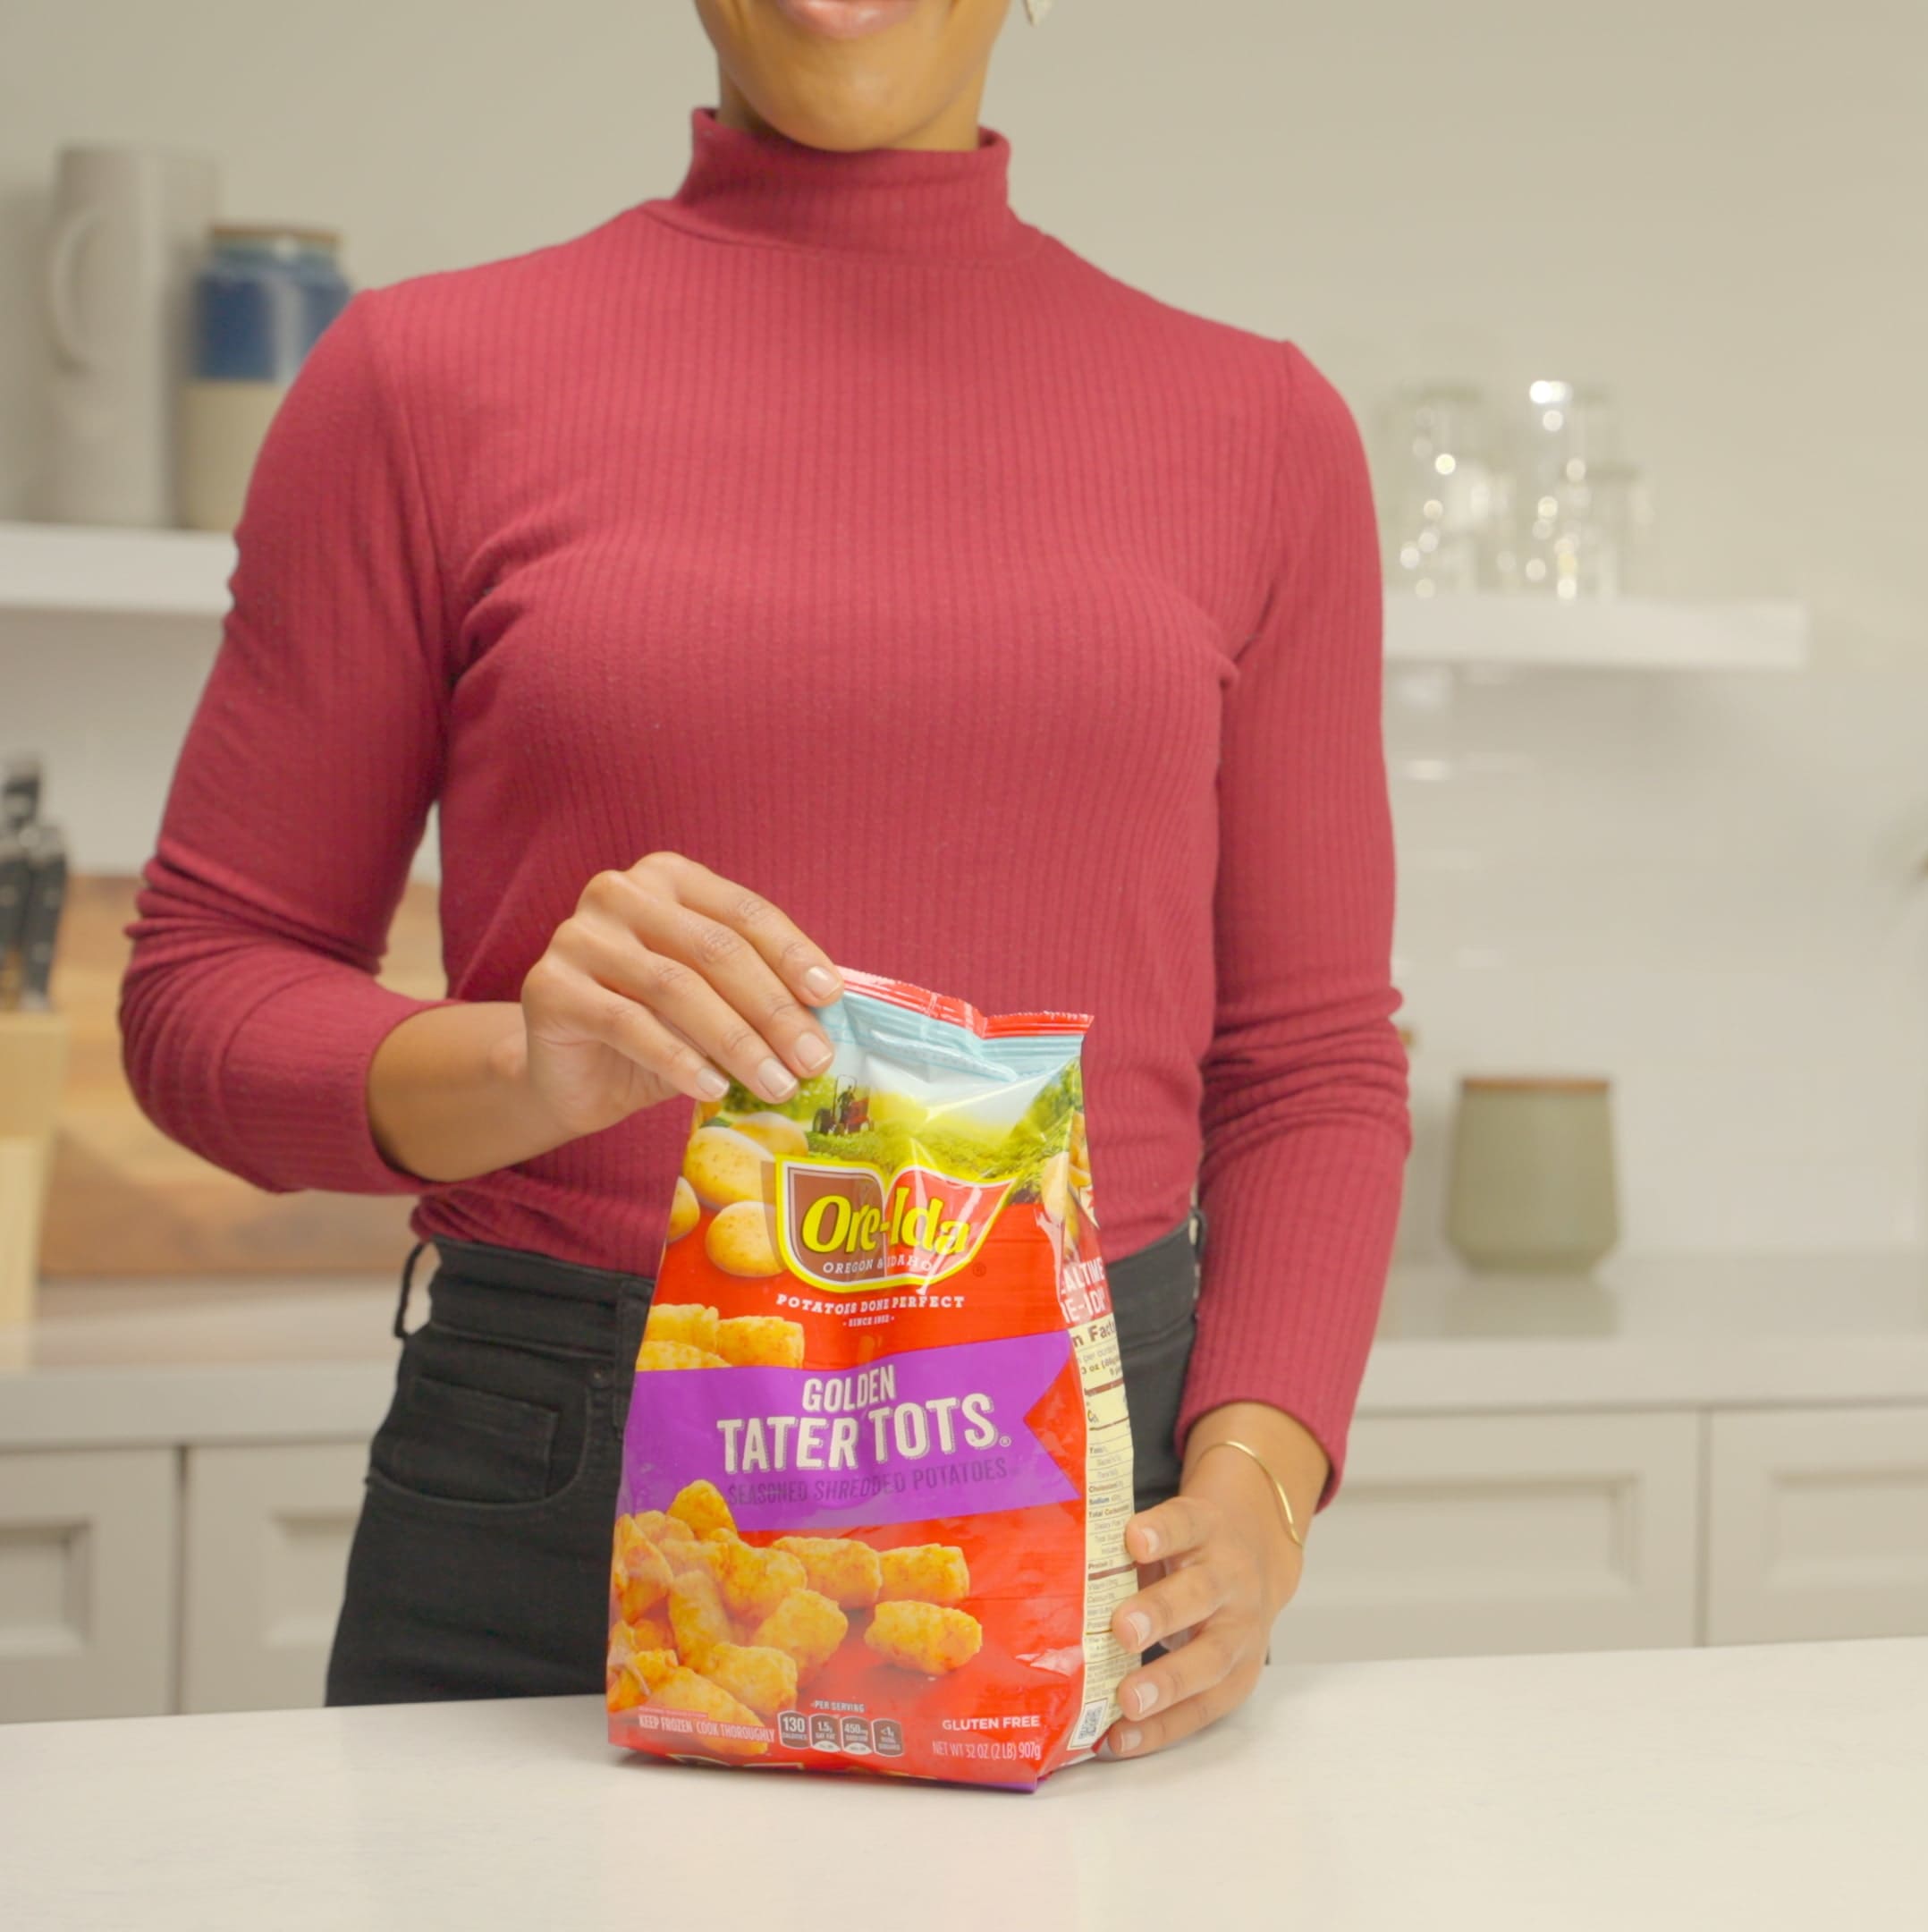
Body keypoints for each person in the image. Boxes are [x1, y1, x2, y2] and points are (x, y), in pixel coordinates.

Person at [118, 0, 1407, 1762]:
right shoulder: (417, 381)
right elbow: (199, 988)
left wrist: (1259, 1488)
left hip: (1100, 1475)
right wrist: (521, 1070)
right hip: (551, 1480)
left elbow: (1312, 1064)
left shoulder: (1260, 428)